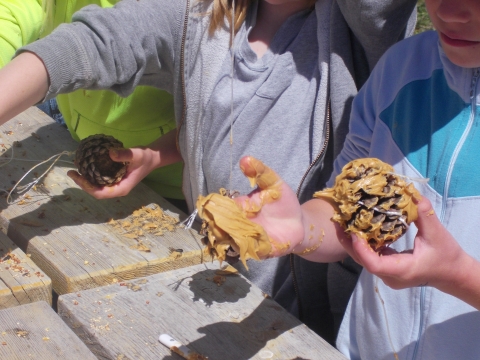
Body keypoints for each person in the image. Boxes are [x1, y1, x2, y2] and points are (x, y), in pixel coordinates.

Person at [0, 0, 417, 344]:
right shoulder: (201, 14)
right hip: (205, 289)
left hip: (302, 323)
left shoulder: (356, 35)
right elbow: (92, 43)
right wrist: (164, 151)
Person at [212, 0, 480, 358]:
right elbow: (344, 211)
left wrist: (459, 277)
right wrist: (302, 227)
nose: (449, 11)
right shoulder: (400, 69)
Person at [0, 0, 185, 210]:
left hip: (172, 184)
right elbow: (78, 47)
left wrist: (158, 153)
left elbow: (112, 41)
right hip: (72, 130)